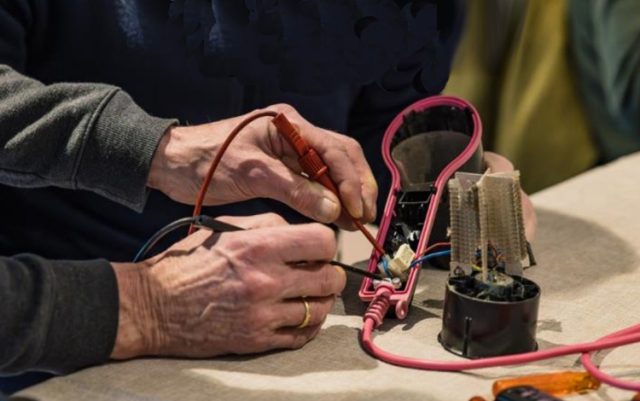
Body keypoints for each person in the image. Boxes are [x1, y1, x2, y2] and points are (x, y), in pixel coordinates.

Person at [0, 0, 534, 382]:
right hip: (56, 356)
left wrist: (446, 182)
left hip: (296, 337)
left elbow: (385, 134)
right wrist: (145, 304)